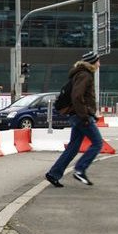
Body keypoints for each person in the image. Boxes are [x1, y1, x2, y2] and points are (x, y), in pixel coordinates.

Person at [45, 51, 103, 187]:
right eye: (98, 61)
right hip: (81, 117)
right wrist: (85, 116)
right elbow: (77, 96)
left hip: (77, 116)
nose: (100, 64)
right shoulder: (85, 75)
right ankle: (80, 169)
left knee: (73, 147)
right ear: (92, 63)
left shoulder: (80, 74)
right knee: (97, 143)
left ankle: (53, 174)